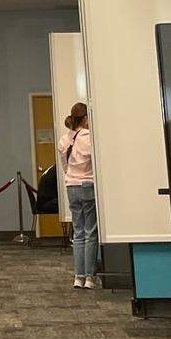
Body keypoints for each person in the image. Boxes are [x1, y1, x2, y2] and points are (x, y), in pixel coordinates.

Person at [59, 102, 97, 290]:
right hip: (88, 185)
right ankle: (89, 277)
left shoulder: (64, 140)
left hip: (71, 187)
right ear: (85, 118)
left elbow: (65, 168)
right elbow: (95, 164)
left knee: (78, 232)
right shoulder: (89, 137)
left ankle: (78, 276)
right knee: (90, 232)